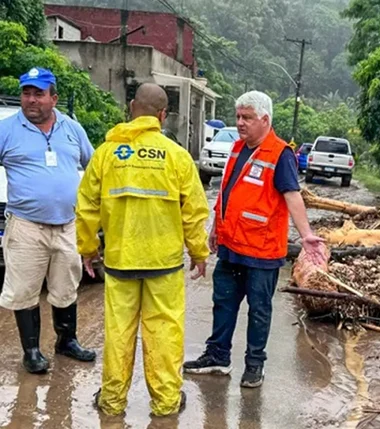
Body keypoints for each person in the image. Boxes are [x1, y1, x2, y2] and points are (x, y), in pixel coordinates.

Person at [75, 83, 209, 416]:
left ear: (132, 107)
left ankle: (112, 401)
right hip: (163, 265)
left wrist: (88, 248)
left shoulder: (107, 153)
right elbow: (194, 210)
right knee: (164, 333)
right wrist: (199, 252)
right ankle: (165, 404)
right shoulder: (176, 156)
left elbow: (87, 205)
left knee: (118, 334)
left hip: (120, 261)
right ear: (163, 116)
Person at [183, 91, 327, 388]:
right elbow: (227, 193)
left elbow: (292, 195)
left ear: (265, 119)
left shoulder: (280, 154)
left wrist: (306, 235)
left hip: (262, 253)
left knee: (259, 310)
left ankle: (254, 365)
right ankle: (218, 357)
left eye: (247, 118)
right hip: (231, 247)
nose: (240, 123)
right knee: (223, 303)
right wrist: (215, 229)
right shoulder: (237, 149)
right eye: (238, 117)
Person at [0, 67, 96, 374]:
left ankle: (66, 341)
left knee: (66, 285)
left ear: (53, 98)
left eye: (39, 94)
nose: (31, 100)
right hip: (26, 226)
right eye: (27, 93)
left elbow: (93, 168)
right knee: (25, 290)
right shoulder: (6, 130)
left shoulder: (72, 128)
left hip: (68, 225)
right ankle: (32, 351)